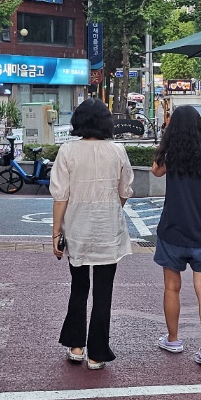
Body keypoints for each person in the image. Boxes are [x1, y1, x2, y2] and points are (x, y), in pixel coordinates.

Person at [50, 98, 135, 370]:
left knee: (78, 287)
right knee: (103, 293)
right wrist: (109, 208)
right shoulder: (118, 150)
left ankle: (76, 345)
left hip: (77, 228)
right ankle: (97, 353)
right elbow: (125, 191)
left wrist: (55, 232)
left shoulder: (67, 151)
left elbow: (60, 196)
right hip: (108, 230)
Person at [151, 105, 201, 366]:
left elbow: (155, 170)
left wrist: (166, 140)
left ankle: (173, 339)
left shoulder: (171, 156)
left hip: (172, 231)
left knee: (172, 287)